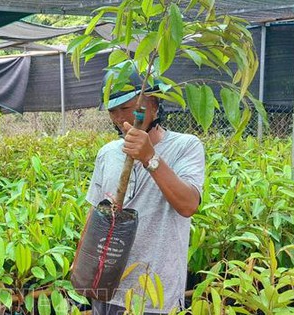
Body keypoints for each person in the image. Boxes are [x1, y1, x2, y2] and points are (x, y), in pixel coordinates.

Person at [86, 62, 206, 314]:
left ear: (153, 104)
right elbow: (95, 216)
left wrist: (150, 158)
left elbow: (188, 205)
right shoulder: (107, 153)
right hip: (108, 289)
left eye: (126, 108)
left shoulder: (185, 147)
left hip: (155, 294)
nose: (119, 119)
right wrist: (84, 272)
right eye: (112, 111)